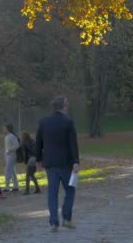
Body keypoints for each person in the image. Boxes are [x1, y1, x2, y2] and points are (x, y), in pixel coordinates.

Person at [36, 95, 80, 232]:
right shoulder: (68, 122)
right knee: (70, 190)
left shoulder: (44, 122)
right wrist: (76, 161)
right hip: (66, 163)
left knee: (52, 193)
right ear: (64, 106)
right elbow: (73, 144)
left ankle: (54, 222)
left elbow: (38, 143)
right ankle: (66, 218)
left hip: (50, 163)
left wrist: (38, 160)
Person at [3, 123, 20, 192]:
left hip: (12, 156)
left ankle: (7, 186)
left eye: (4, 128)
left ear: (7, 128)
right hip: (8, 156)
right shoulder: (7, 136)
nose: (3, 129)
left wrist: (9, 150)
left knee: (8, 170)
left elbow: (17, 145)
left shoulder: (12, 136)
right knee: (12, 171)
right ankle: (15, 186)